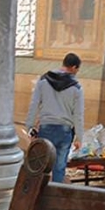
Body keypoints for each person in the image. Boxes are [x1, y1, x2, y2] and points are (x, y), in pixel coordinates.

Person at [25, 52, 84, 183]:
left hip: (46, 128)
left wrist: (29, 127)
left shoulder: (43, 81)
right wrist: (79, 137)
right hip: (64, 131)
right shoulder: (76, 88)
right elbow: (78, 115)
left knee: (40, 165)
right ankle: (55, 190)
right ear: (74, 67)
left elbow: (34, 104)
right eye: (77, 69)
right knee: (59, 166)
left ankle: (38, 192)